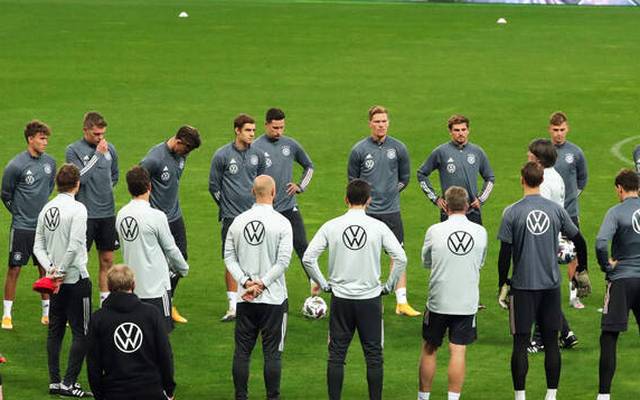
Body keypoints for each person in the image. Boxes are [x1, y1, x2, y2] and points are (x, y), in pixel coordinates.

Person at [303, 179, 407, 400]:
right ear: (369, 201)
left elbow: (308, 258)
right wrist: (388, 286)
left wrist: (323, 283)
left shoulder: (331, 226)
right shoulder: (379, 227)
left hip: (341, 299)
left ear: (346, 199)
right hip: (370, 300)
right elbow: (400, 258)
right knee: (374, 356)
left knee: (336, 354)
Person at [497, 161, 589, 400]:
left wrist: (502, 283)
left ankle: (520, 396)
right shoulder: (556, 210)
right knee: (551, 342)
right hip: (550, 287)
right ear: (541, 180)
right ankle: (551, 395)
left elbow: (505, 254)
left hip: (522, 287)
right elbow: (580, 240)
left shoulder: (512, 212)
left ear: (522, 180)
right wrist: (582, 270)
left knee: (520, 343)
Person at [224, 175, 292, 400]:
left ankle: (240, 396)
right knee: (272, 354)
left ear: (253, 192)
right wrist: (262, 284)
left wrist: (246, 282)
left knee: (242, 353)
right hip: (274, 299)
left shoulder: (238, 222)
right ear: (274, 192)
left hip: (245, 298)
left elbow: (229, 257)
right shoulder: (282, 223)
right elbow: (283, 262)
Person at [347, 105, 418, 317]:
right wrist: (364, 200)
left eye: (384, 121)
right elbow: (353, 181)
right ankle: (365, 296)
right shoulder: (359, 150)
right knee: (365, 254)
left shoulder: (398, 148)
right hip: (367, 212)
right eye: (377, 121)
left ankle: (402, 302)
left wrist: (390, 192)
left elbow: (405, 178)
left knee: (398, 254)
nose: (381, 125)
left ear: (388, 123)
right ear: (370, 123)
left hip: (391, 211)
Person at [418, 186, 487, 400]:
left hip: (439, 299)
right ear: (466, 206)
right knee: (458, 350)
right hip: (466, 301)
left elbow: (426, 262)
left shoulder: (434, 231)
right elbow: (480, 262)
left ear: (445, 206)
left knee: (430, 348)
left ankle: (423, 398)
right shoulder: (480, 232)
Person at [33, 164, 93, 398]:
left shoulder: (46, 209)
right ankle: (69, 383)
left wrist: (51, 270)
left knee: (55, 331)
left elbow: (38, 246)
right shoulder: (78, 209)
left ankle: (55, 382)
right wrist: (61, 272)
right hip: (76, 279)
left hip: (54, 284)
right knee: (82, 332)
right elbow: (75, 245)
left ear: (57, 184)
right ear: (77, 184)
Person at [527, 139, 586, 353]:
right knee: (544, 289)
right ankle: (566, 333)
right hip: (553, 236)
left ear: (539, 160)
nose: (527, 158)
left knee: (538, 290)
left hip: (543, 240)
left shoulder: (543, 181)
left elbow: (539, 212)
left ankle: (540, 339)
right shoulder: (556, 176)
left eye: (530, 155)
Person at [252, 108, 318, 297]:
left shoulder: (290, 145)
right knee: (265, 252)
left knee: (302, 246)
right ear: (266, 125)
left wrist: (300, 186)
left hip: (289, 207)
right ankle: (260, 287)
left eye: (281, 127)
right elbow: (249, 176)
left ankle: (314, 285)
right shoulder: (255, 147)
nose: (279, 131)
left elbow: (309, 166)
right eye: (275, 127)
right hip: (266, 210)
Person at [140, 125, 201, 324]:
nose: (188, 153)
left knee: (180, 258)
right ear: (178, 141)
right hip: (156, 220)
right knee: (153, 262)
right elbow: (137, 181)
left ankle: (168, 300)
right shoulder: (154, 159)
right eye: (187, 149)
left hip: (175, 216)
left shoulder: (182, 155)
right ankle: (150, 305)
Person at [116, 166, 189, 333]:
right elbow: (171, 249)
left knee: (138, 335)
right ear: (149, 186)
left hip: (132, 287)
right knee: (160, 336)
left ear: (129, 188)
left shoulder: (121, 214)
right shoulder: (157, 216)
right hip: (156, 288)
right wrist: (183, 268)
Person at [87, 265, 176, 400]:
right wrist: (169, 388)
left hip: (114, 392)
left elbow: (93, 363)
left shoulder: (98, 318)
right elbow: (165, 354)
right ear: (133, 284)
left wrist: (99, 395)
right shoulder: (151, 313)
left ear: (109, 286)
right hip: (151, 390)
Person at [209, 114, 266, 322]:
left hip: (254, 216)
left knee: (258, 255)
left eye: (254, 130)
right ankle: (233, 306)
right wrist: (225, 206)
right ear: (237, 130)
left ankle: (257, 298)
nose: (252, 134)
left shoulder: (258, 155)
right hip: (231, 217)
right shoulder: (222, 155)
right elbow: (214, 186)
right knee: (231, 259)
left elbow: (262, 183)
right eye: (248, 130)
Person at [1, 120, 56, 329]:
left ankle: (47, 314)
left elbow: (48, 188)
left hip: (43, 228)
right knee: (14, 268)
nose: (45, 142)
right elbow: (5, 194)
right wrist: (18, 213)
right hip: (22, 227)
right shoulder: (16, 165)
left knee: (45, 269)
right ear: (30, 139)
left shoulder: (50, 163)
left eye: (46, 138)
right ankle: (7, 315)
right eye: (42, 138)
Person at [595, 169, 640, 400]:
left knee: (609, 336)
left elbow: (601, 242)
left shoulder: (615, 212)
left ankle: (604, 395)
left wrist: (606, 266)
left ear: (619, 188)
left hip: (621, 280)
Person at [66, 112, 119, 305]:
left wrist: (103, 191)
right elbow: (79, 179)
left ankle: (105, 303)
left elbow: (114, 176)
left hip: (107, 214)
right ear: (85, 130)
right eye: (96, 134)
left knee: (108, 260)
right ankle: (77, 303)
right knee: (79, 262)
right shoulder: (73, 150)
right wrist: (97, 155)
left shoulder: (110, 149)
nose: (100, 138)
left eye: (102, 133)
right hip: (85, 215)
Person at [417, 114, 495, 226]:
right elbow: (421, 174)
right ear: (450, 132)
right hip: (448, 212)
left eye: (463, 129)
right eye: (456, 130)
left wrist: (481, 199)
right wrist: (435, 199)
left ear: (468, 130)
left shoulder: (477, 152)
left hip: (472, 212)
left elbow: (490, 177)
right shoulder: (441, 152)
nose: (461, 133)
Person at [548, 112, 588, 308]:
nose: (559, 134)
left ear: (567, 129)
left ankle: (573, 295)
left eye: (562, 130)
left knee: (573, 254)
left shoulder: (576, 152)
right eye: (555, 130)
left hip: (570, 213)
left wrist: (570, 198)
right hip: (548, 214)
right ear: (550, 130)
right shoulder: (544, 152)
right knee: (546, 253)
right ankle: (548, 293)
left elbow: (583, 179)